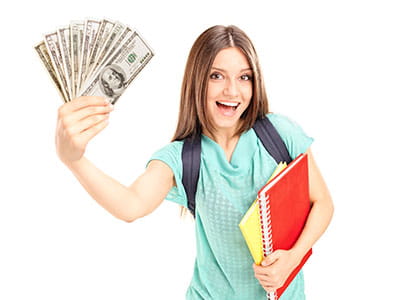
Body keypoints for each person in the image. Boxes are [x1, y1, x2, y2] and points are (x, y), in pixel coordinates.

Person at [55, 25, 333, 300]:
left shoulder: (279, 134)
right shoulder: (183, 158)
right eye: (216, 76)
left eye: (244, 77)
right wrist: (74, 160)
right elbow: (131, 204)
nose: (232, 91)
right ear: (197, 80)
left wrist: (293, 259)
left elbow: (322, 203)